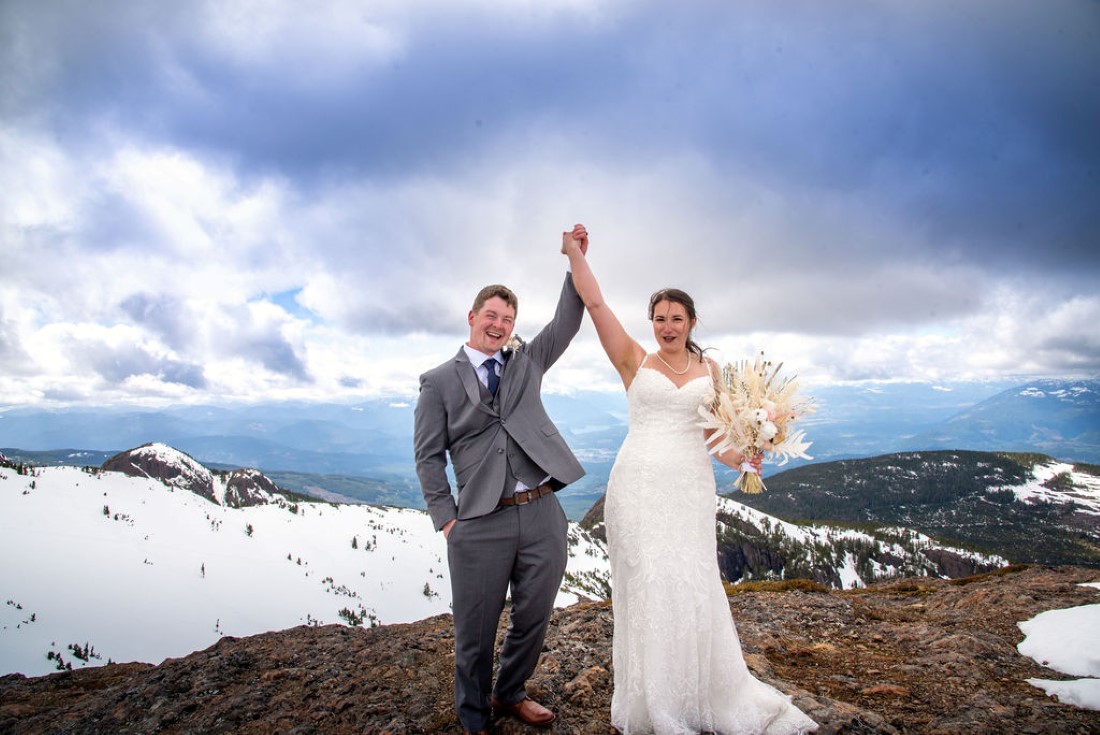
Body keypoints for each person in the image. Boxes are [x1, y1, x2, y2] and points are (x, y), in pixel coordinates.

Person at [561, 235, 818, 735]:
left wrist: (746, 456)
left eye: (676, 318)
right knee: (649, 585)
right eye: (659, 318)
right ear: (651, 323)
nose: (667, 327)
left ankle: (701, 692)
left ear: (692, 322)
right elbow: (595, 303)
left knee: (693, 582)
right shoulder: (634, 360)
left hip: (689, 488)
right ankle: (653, 704)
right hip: (636, 486)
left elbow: (715, 439)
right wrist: (576, 255)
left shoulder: (712, 371)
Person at [413, 225, 590, 734]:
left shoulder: (526, 362)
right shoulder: (438, 382)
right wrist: (447, 520)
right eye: (491, 315)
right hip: (479, 521)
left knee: (534, 618)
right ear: (472, 318)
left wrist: (573, 259)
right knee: (475, 630)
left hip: (541, 512)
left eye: (507, 318)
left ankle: (509, 692)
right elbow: (428, 457)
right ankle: (474, 720)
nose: (498, 324)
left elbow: (567, 321)